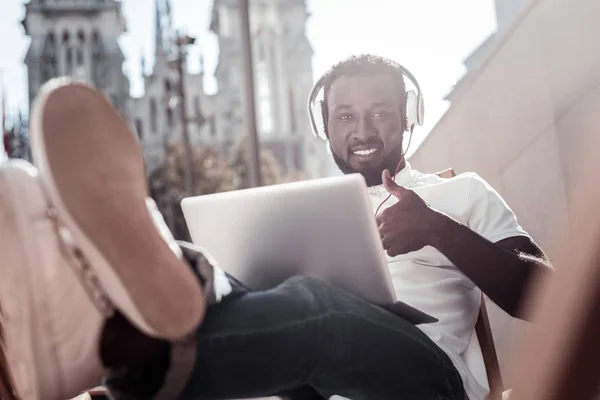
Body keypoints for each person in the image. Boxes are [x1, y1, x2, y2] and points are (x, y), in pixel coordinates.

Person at [0, 53, 548, 400]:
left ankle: (110, 347)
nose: (362, 130)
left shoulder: (459, 194)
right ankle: (158, 288)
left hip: (425, 380)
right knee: (242, 288)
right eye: (344, 115)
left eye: (380, 112)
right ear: (324, 125)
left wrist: (438, 230)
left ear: (407, 115)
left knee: (316, 307)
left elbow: (546, 296)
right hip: (304, 377)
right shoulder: (298, 210)